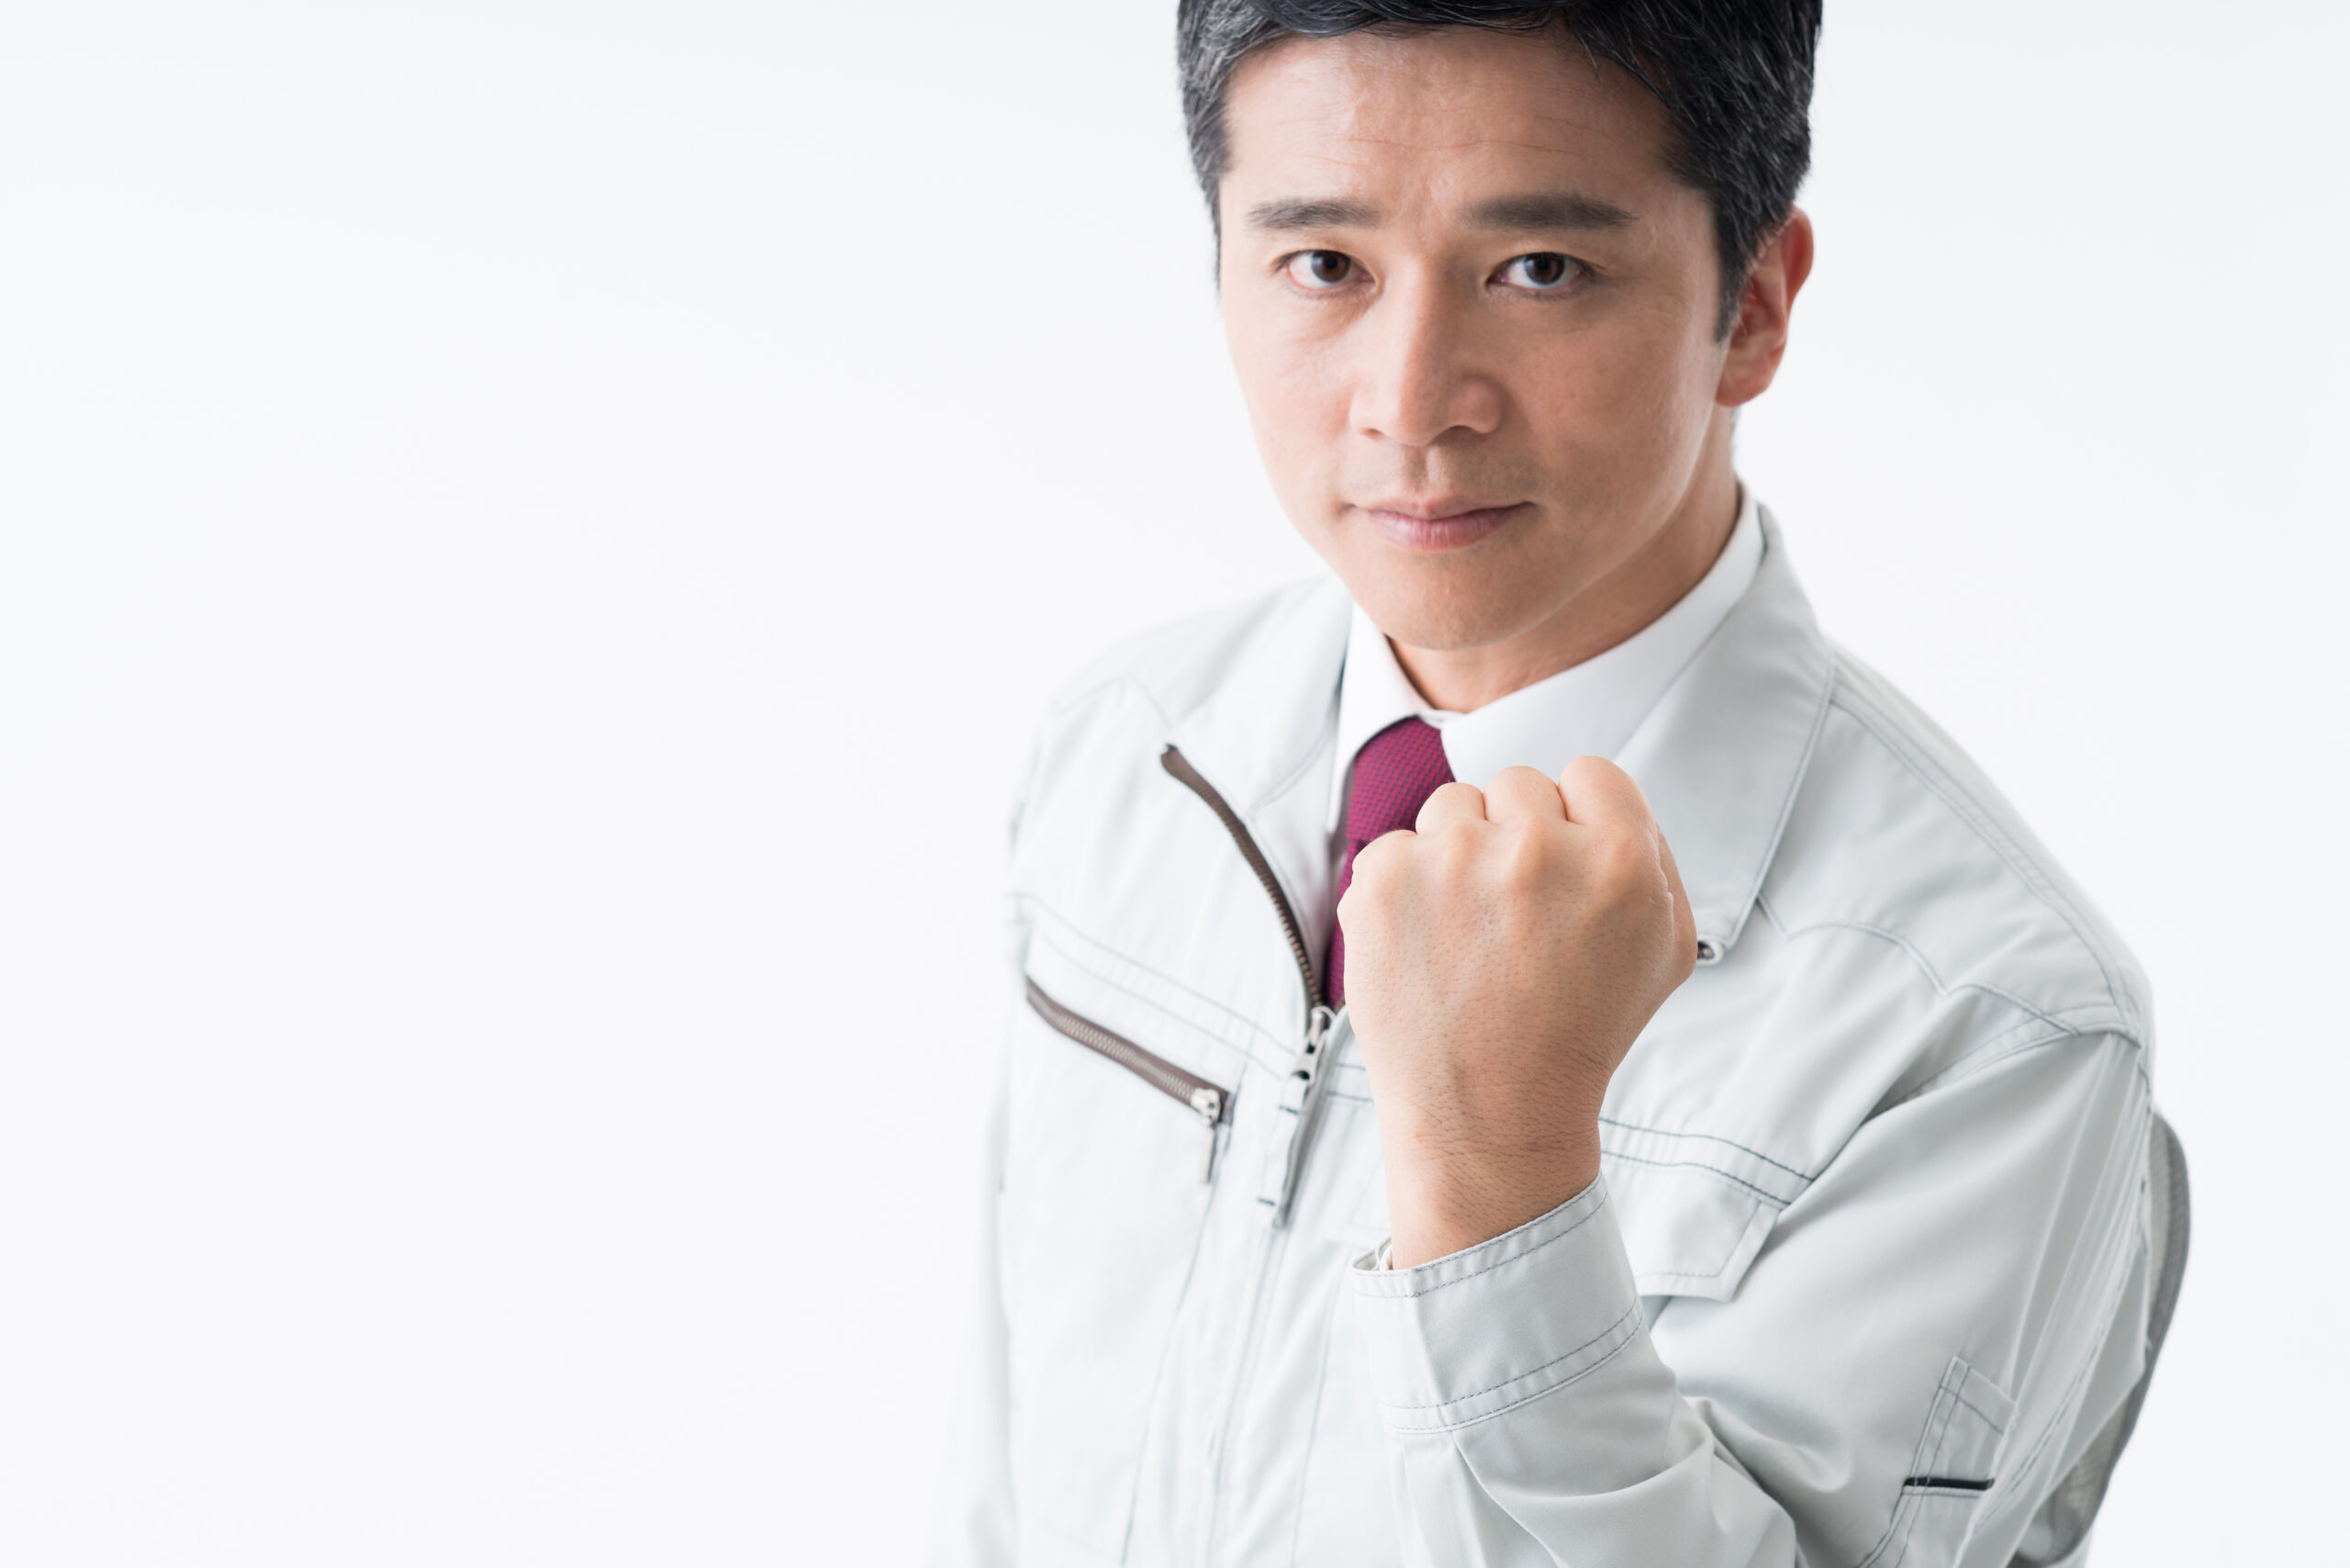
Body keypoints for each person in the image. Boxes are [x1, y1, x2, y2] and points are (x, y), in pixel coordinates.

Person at [934, 5, 2163, 1564]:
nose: (1411, 401)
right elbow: (1006, 1480)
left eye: (1540, 270)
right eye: (1325, 264)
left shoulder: (1986, 1025)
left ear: (1754, 306)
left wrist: (1506, 1196)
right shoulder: (1129, 751)